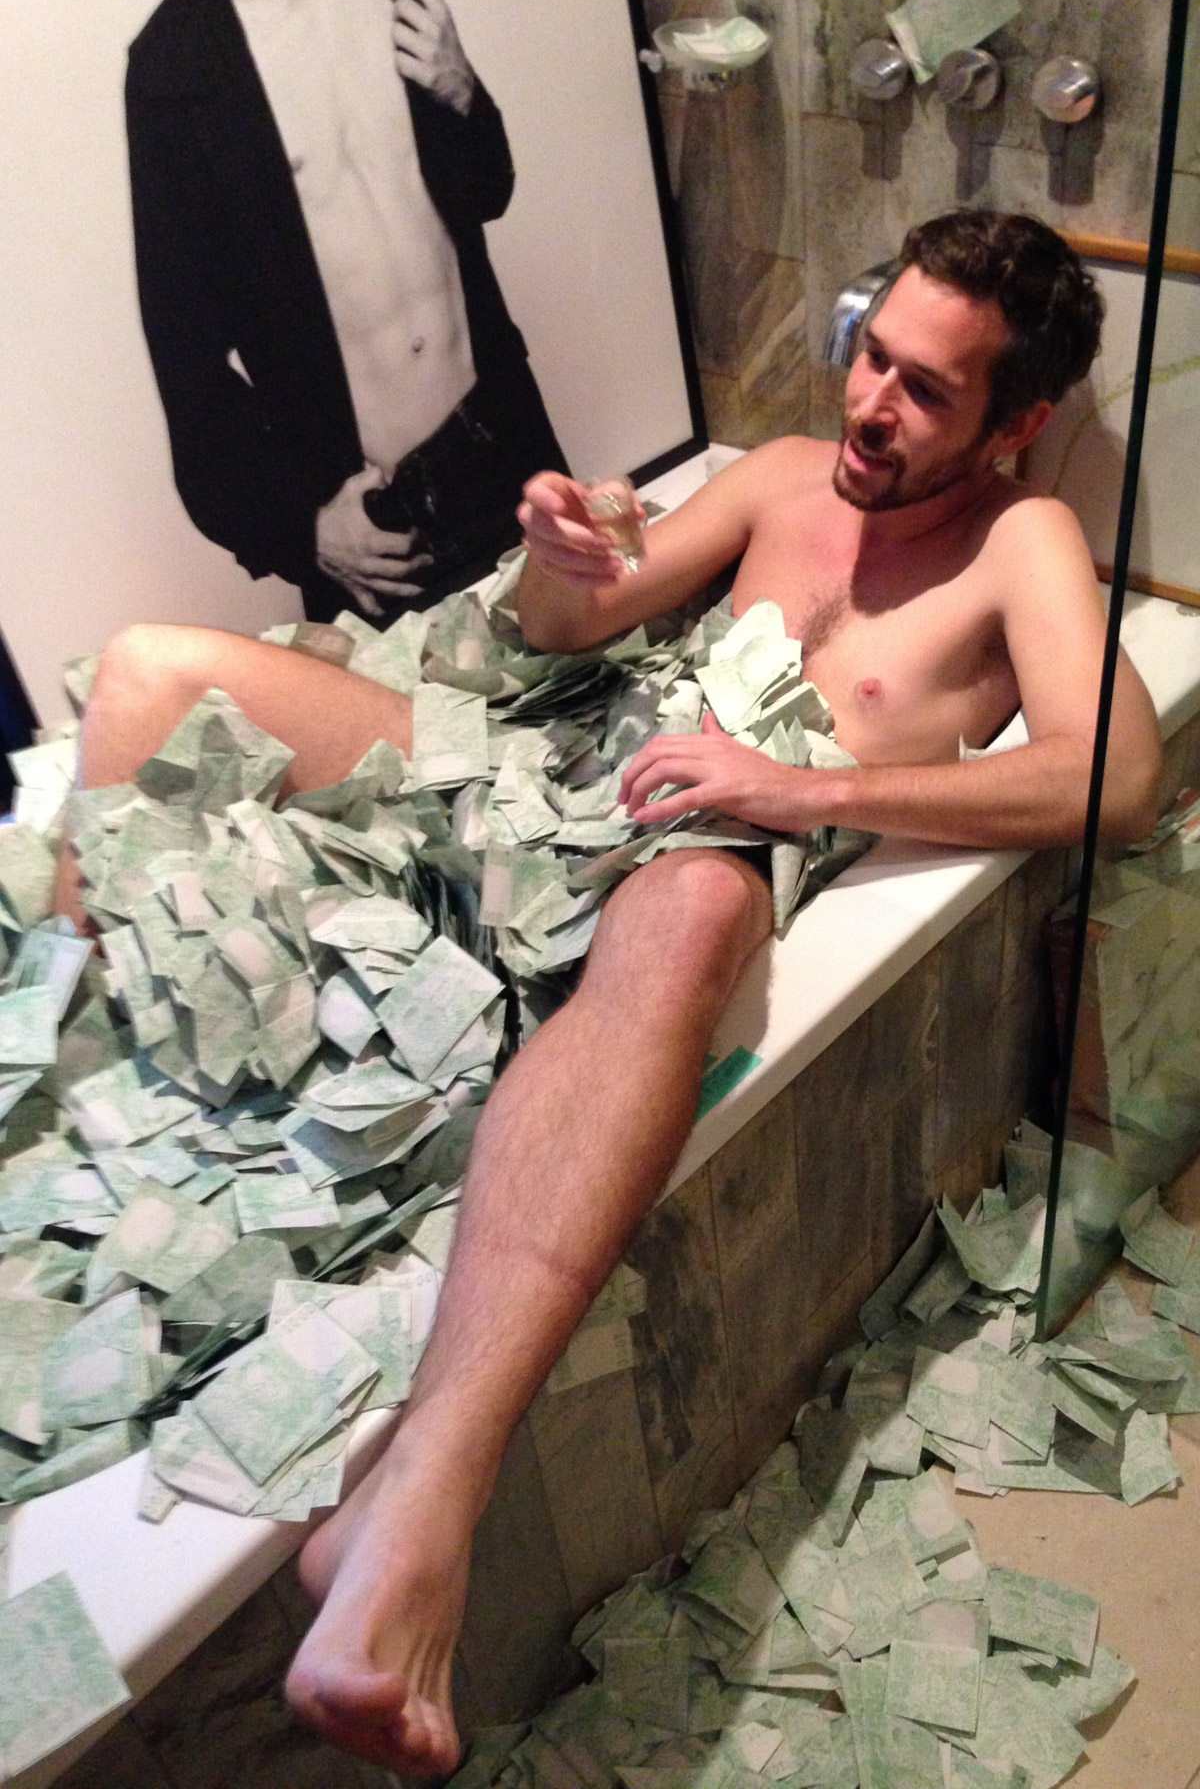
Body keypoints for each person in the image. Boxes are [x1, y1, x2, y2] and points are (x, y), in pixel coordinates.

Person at [64, 211, 1162, 1775]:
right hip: (541, 777)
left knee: (698, 903)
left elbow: (1113, 775)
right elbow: (573, 626)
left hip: (696, 847)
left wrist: (794, 790)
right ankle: (84, 1133)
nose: (870, 402)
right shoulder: (783, 475)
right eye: (872, 355)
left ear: (1015, 422)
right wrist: (560, 555)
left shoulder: (1021, 543)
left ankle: (420, 1504)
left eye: (927, 389)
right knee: (148, 676)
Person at [125, 0, 567, 625]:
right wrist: (301, 528)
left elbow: (487, 190)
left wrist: (463, 93)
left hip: (507, 438)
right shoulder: (176, 63)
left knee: (603, 664)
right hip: (383, 516)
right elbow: (184, 354)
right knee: (415, 697)